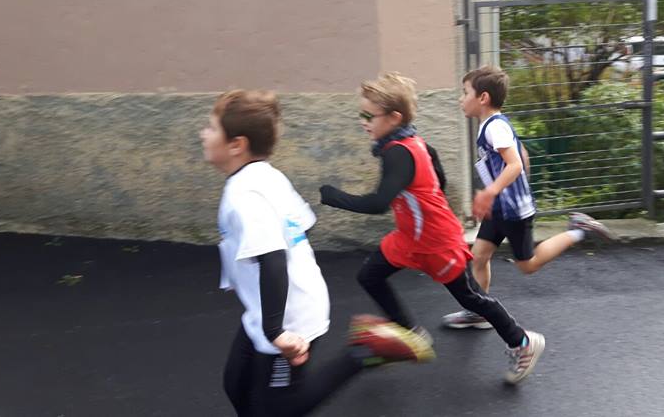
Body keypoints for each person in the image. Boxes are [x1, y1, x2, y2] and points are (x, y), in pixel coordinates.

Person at [202, 89, 433, 417]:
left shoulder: (245, 195)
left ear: (237, 144)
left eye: (211, 128)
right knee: (236, 384)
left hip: (287, 317)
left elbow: (273, 259)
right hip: (269, 307)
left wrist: (276, 333)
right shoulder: (266, 175)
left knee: (280, 409)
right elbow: (303, 224)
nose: (203, 134)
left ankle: (364, 352)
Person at [320, 72, 545, 384]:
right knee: (369, 276)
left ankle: (522, 341)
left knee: (471, 298)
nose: (363, 122)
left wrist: (333, 196)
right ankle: (411, 334)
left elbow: (379, 203)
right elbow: (439, 178)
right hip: (410, 237)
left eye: (368, 116)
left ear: (394, 118)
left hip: (437, 241)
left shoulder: (399, 152)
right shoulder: (413, 142)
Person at [442, 66, 614, 331]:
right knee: (479, 256)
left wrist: (491, 192)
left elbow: (515, 164)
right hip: (501, 207)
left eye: (465, 93)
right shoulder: (493, 124)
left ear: (483, 98)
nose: (460, 99)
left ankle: (578, 230)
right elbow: (523, 155)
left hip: (513, 211)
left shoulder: (495, 128)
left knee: (528, 265)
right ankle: (478, 311)